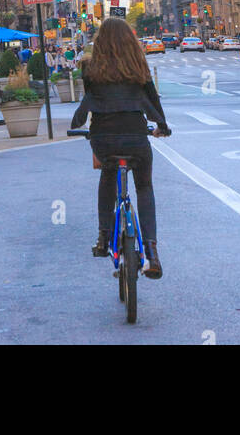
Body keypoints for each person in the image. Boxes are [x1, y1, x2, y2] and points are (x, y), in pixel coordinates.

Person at [70, 15, 170, 280]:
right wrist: (162, 125)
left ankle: (103, 237)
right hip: (136, 137)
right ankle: (151, 251)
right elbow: (153, 101)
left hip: (103, 138)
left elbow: (90, 102)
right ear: (131, 42)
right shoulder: (139, 67)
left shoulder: (90, 69)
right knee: (144, 187)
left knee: (107, 175)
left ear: (100, 43)